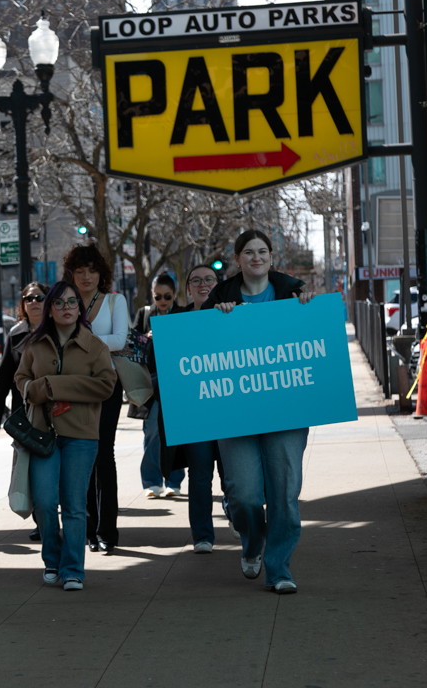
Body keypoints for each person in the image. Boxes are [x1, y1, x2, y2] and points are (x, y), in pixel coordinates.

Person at [201, 229, 315, 593]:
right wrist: (215, 318)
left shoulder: (293, 293)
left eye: (262, 251)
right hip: (235, 412)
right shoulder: (220, 297)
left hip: (286, 411)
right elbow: (201, 346)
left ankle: (279, 567)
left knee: (283, 491)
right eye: (248, 252)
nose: (256, 257)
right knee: (245, 495)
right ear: (237, 260)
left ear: (271, 256)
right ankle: (253, 543)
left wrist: (309, 309)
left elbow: (312, 338)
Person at [15, 281, 117, 591]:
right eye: (59, 303)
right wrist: (33, 389)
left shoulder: (94, 345)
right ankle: (52, 559)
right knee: (45, 502)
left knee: (74, 505)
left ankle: (73, 569)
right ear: (49, 308)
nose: (67, 308)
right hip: (43, 435)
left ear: (80, 308)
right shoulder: (35, 344)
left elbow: (105, 385)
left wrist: (53, 386)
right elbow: (22, 379)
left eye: (72, 302)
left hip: (81, 436)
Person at [63, 243, 128, 554]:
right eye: (80, 271)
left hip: (106, 384)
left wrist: (81, 342)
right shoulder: (65, 301)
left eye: (91, 270)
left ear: (101, 273)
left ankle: (107, 531)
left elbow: (119, 340)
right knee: (79, 455)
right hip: (73, 386)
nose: (86, 276)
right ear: (71, 274)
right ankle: (87, 529)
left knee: (104, 454)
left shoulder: (115, 301)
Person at [0, 281, 48, 542]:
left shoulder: (59, 328)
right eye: (28, 298)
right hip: (25, 415)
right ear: (23, 305)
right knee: (31, 468)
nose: (34, 302)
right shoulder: (15, 334)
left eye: (39, 297)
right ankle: (43, 521)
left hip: (59, 411)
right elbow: (3, 379)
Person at [175, 264, 226, 553]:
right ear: (188, 288)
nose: (203, 284)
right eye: (196, 280)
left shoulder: (229, 314)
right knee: (200, 475)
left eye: (209, 279)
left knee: (232, 475)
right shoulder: (176, 322)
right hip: (194, 413)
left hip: (228, 409)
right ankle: (203, 535)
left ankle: (235, 515)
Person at [135, 274, 187, 500]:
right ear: (152, 295)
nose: (163, 300)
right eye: (158, 296)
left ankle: (174, 481)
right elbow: (131, 347)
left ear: (174, 294)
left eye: (167, 296)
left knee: (177, 432)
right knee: (153, 433)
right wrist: (146, 339)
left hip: (177, 382)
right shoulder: (144, 314)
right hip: (151, 382)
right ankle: (152, 481)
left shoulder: (182, 314)